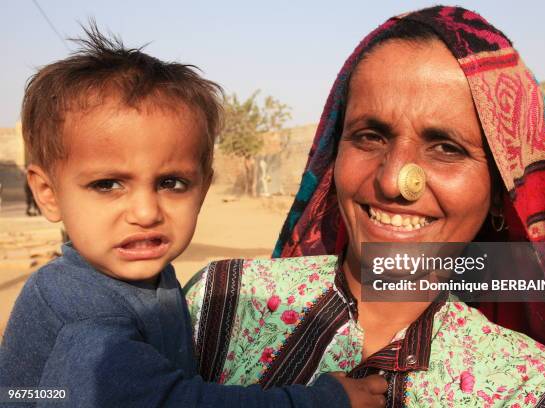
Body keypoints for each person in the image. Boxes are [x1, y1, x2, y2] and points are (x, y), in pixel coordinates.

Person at [186, 6, 545, 407]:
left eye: (446, 147)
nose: (393, 181)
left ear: (500, 192)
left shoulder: (530, 391)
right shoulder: (221, 301)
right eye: (370, 136)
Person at [0, 27, 388, 408]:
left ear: (202, 189)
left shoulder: (140, 274)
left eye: (171, 183)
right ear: (47, 194)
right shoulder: (86, 323)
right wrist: (322, 400)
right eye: (107, 185)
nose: (146, 212)